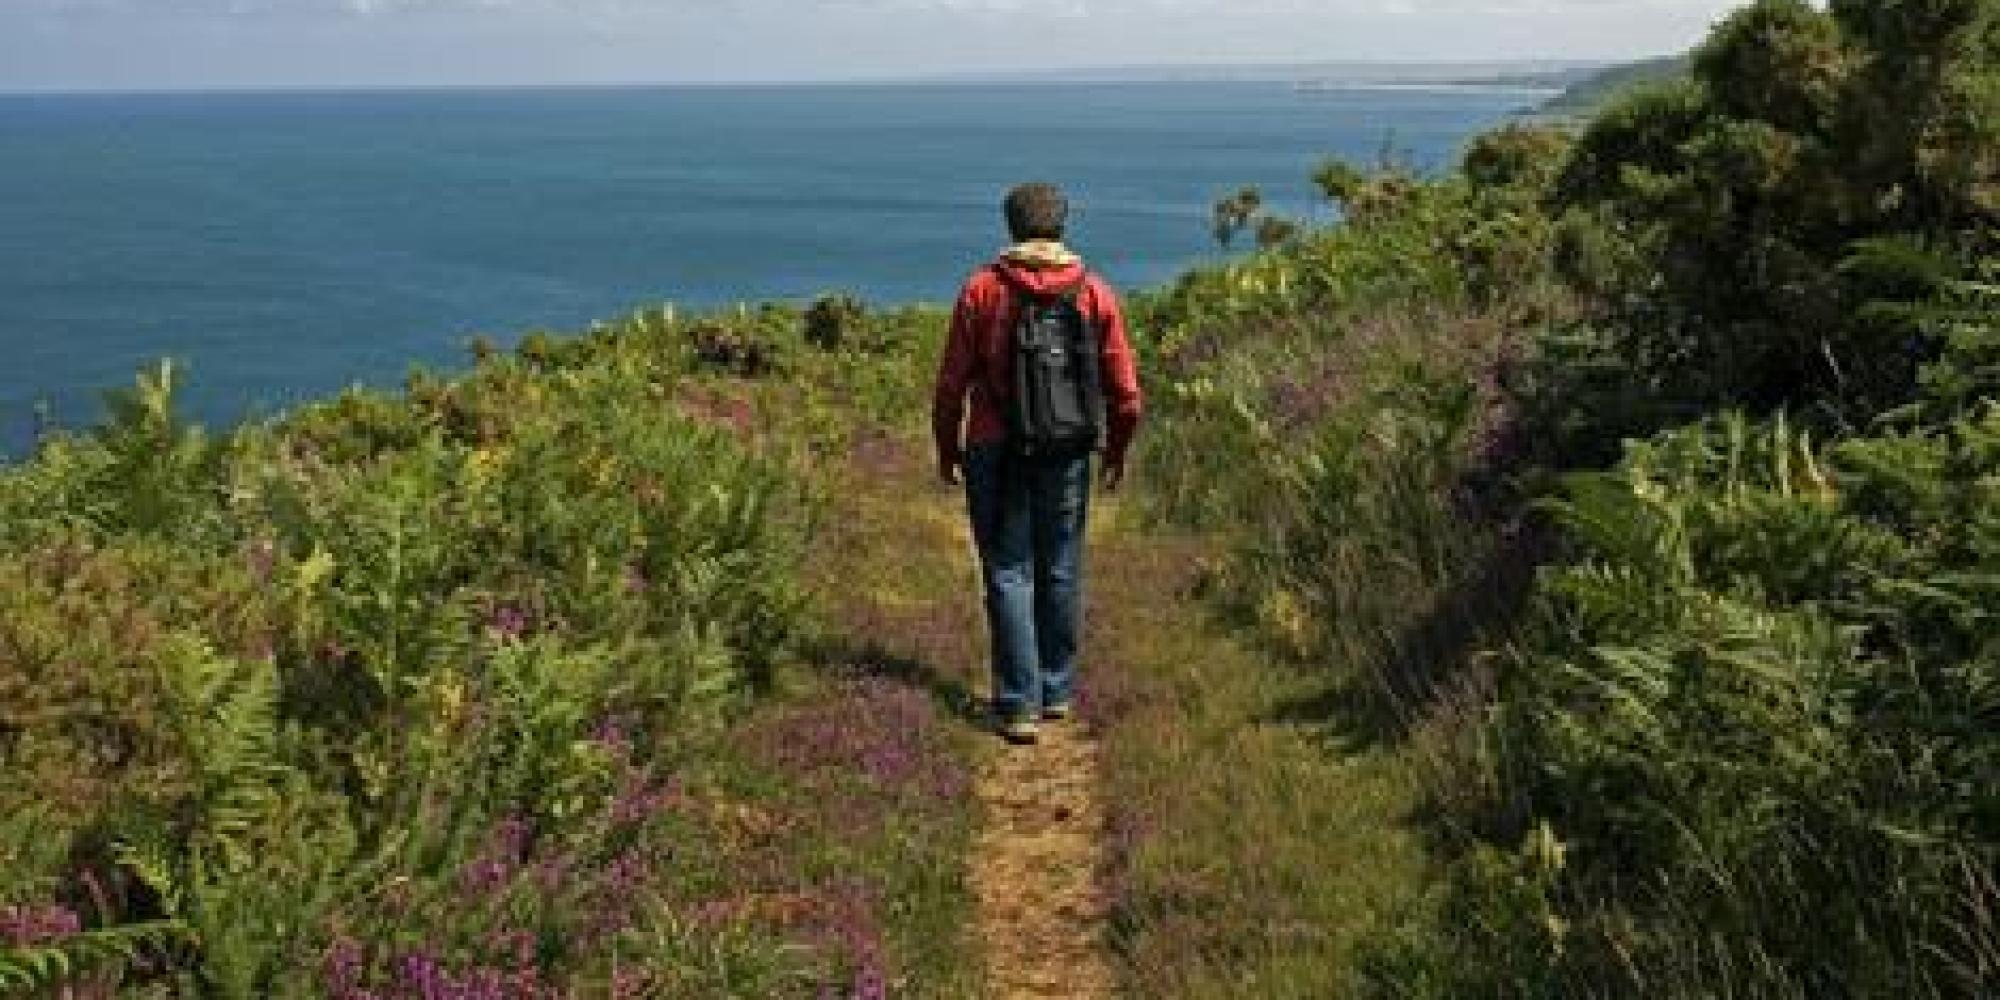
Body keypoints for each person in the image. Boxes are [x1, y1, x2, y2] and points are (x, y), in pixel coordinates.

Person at [932, 182, 1144, 746]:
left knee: (1007, 569)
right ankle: (1055, 691)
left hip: (993, 448)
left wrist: (945, 446)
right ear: (1063, 225)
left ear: (1010, 226)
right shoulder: (1094, 293)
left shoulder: (982, 291)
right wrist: (1115, 452)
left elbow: (952, 383)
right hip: (1068, 448)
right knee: (1060, 565)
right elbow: (1127, 394)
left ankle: (1017, 703)